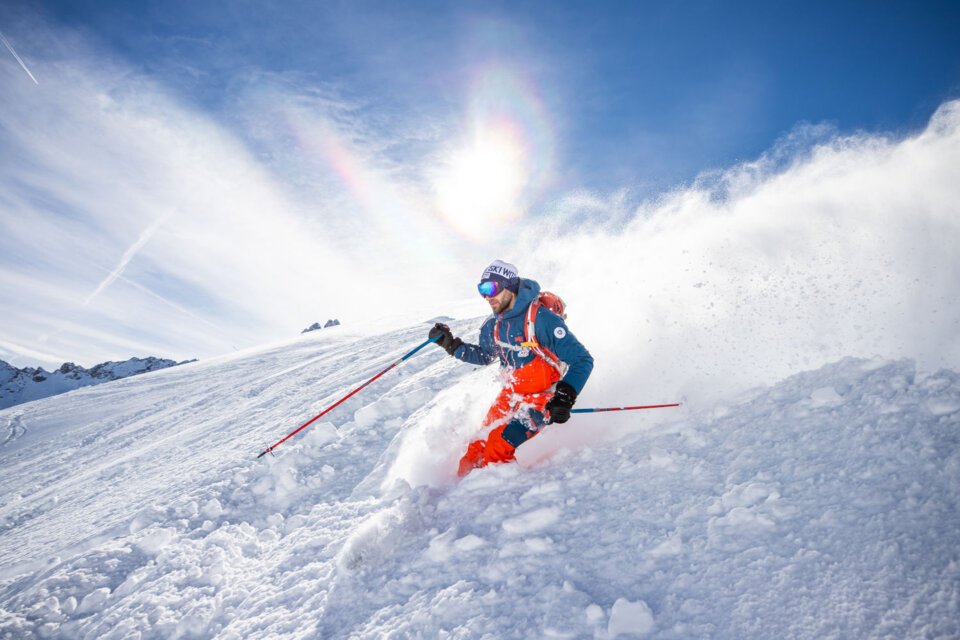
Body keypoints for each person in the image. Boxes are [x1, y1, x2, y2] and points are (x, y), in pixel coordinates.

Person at [429, 260, 594, 476]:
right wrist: (451, 345)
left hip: (540, 399)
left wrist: (564, 397)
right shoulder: (495, 324)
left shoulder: (541, 320)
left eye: (491, 289)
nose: (487, 297)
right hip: (511, 393)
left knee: (497, 448)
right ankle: (456, 493)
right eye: (482, 290)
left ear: (510, 286)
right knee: (477, 446)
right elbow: (485, 355)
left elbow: (582, 360)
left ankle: (497, 499)